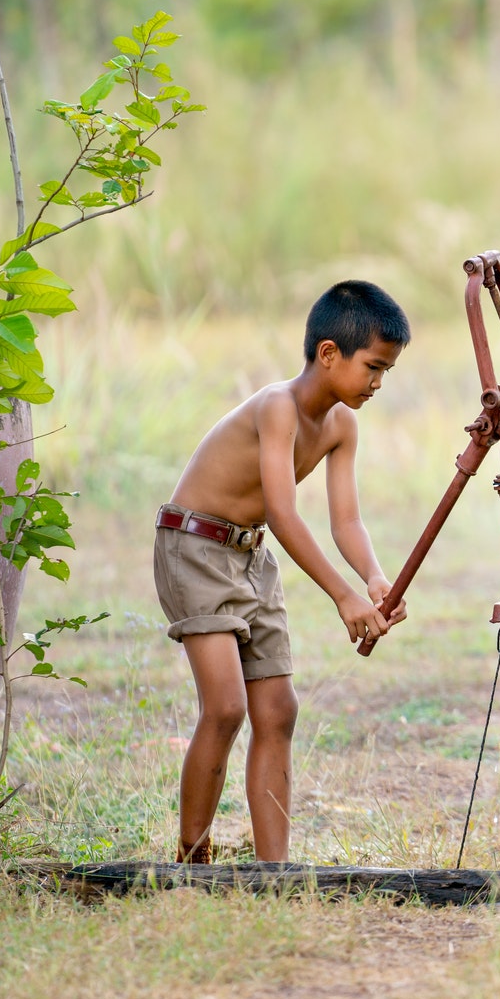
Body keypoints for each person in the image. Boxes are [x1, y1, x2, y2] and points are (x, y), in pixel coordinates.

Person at [155, 280, 411, 863]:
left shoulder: (343, 426)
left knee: (278, 710)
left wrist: (373, 579)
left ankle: (276, 872)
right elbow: (282, 510)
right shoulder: (277, 407)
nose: (377, 382)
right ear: (328, 353)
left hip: (250, 558)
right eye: (372, 367)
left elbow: (346, 522)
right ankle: (192, 862)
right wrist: (344, 597)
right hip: (193, 546)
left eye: (386, 372)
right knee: (225, 706)